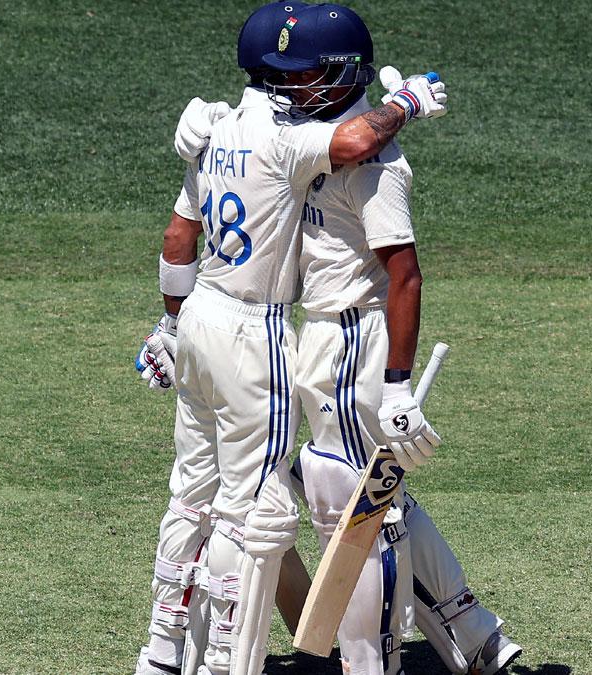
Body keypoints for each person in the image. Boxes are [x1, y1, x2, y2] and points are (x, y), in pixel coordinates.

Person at [170, 4, 521, 674]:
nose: (291, 88)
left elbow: (406, 275)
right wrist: (204, 124)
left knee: (349, 501)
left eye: (306, 76)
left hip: (353, 336)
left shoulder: (376, 162)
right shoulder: (303, 130)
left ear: (340, 76)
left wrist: (395, 383)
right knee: (339, 483)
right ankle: (474, 630)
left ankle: (379, 661)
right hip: (313, 339)